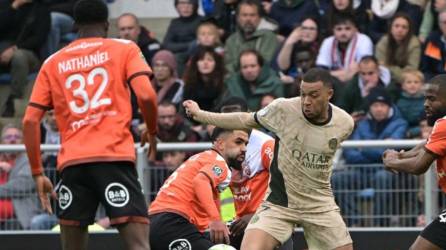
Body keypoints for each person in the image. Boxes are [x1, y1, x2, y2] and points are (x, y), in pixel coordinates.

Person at [22, 1, 157, 250]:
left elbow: (30, 120)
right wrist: (152, 129)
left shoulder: (53, 61)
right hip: (114, 159)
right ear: (107, 25)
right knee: (139, 245)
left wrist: (37, 172)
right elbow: (147, 96)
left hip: (73, 164)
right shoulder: (124, 48)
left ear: (74, 26)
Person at [184, 68, 354, 250]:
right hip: (279, 203)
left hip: (319, 204)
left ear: (329, 94)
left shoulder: (344, 123)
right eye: (303, 95)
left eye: (313, 95)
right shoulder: (283, 109)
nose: (306, 102)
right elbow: (244, 119)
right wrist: (200, 114)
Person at [149, 127, 249, 250]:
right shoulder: (218, 162)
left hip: (157, 222)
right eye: (238, 142)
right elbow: (200, 182)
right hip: (173, 223)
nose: (244, 148)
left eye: (246, 143)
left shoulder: (202, 158)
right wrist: (216, 220)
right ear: (221, 144)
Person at [382, 74, 446, 250]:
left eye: (432, 99)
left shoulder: (443, 124)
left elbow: (418, 166)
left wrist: (391, 162)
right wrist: (401, 156)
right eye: (425, 98)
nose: (426, 104)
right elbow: (427, 144)